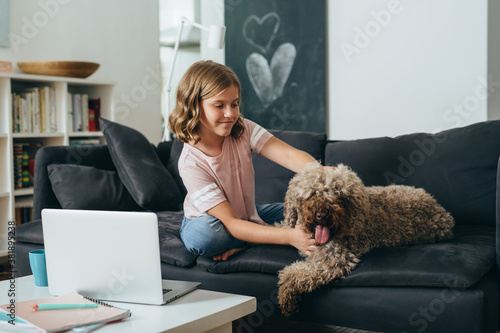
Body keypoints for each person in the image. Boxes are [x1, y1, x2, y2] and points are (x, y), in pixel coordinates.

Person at [168, 60, 318, 261]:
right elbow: (231, 222)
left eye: (234, 104)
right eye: (219, 105)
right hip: (209, 223)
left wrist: (323, 173)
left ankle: (252, 236)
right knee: (206, 237)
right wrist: (289, 237)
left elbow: (290, 156)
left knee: (314, 213)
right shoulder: (190, 163)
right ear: (194, 105)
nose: (229, 114)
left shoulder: (243, 129)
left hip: (246, 216)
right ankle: (255, 236)